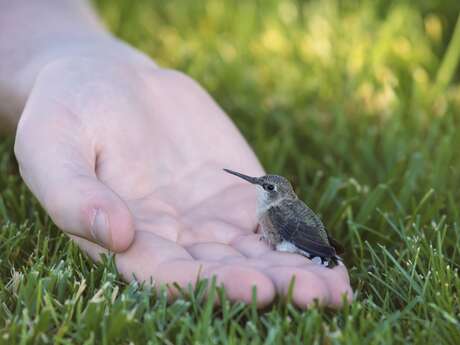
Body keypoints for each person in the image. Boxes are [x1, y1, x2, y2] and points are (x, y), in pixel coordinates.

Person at [0, 0, 351, 308]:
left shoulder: (277, 213)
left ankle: (322, 255)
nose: (257, 186)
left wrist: (71, 51)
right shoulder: (270, 209)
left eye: (266, 187)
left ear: (278, 195)